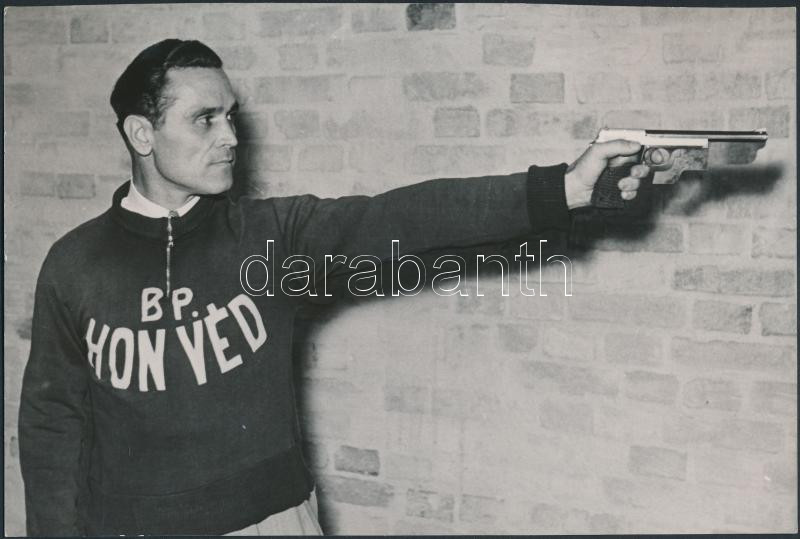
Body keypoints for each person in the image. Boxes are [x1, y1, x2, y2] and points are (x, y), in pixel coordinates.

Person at [18, 38, 649, 536]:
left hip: (269, 522)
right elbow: (52, 426)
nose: (230, 137)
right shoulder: (75, 263)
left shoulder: (273, 238)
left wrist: (563, 189)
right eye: (204, 119)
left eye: (230, 116)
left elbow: (404, 217)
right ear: (141, 134)